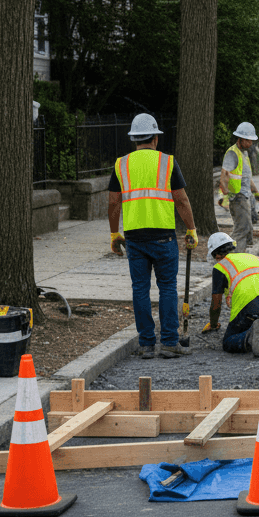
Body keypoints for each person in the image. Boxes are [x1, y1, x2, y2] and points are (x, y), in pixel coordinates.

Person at [109, 113, 198, 359]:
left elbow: (114, 202)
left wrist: (115, 233)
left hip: (135, 238)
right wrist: (191, 228)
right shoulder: (167, 162)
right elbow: (180, 199)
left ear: (134, 139)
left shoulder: (121, 164)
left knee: (140, 289)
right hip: (163, 236)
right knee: (167, 287)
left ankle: (147, 344)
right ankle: (169, 342)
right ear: (155, 138)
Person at [203, 231, 259, 355]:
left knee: (228, 341)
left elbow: (216, 304)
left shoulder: (220, 267)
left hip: (251, 310)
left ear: (215, 255)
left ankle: (249, 338)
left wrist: (214, 324)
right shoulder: (255, 258)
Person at [219, 122, 259, 253]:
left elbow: (247, 178)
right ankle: (228, 255)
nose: (251, 143)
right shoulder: (232, 153)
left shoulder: (243, 153)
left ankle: (240, 256)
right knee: (242, 229)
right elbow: (224, 177)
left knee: (247, 229)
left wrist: (257, 195)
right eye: (249, 140)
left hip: (245, 196)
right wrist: (226, 198)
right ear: (242, 139)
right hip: (237, 197)